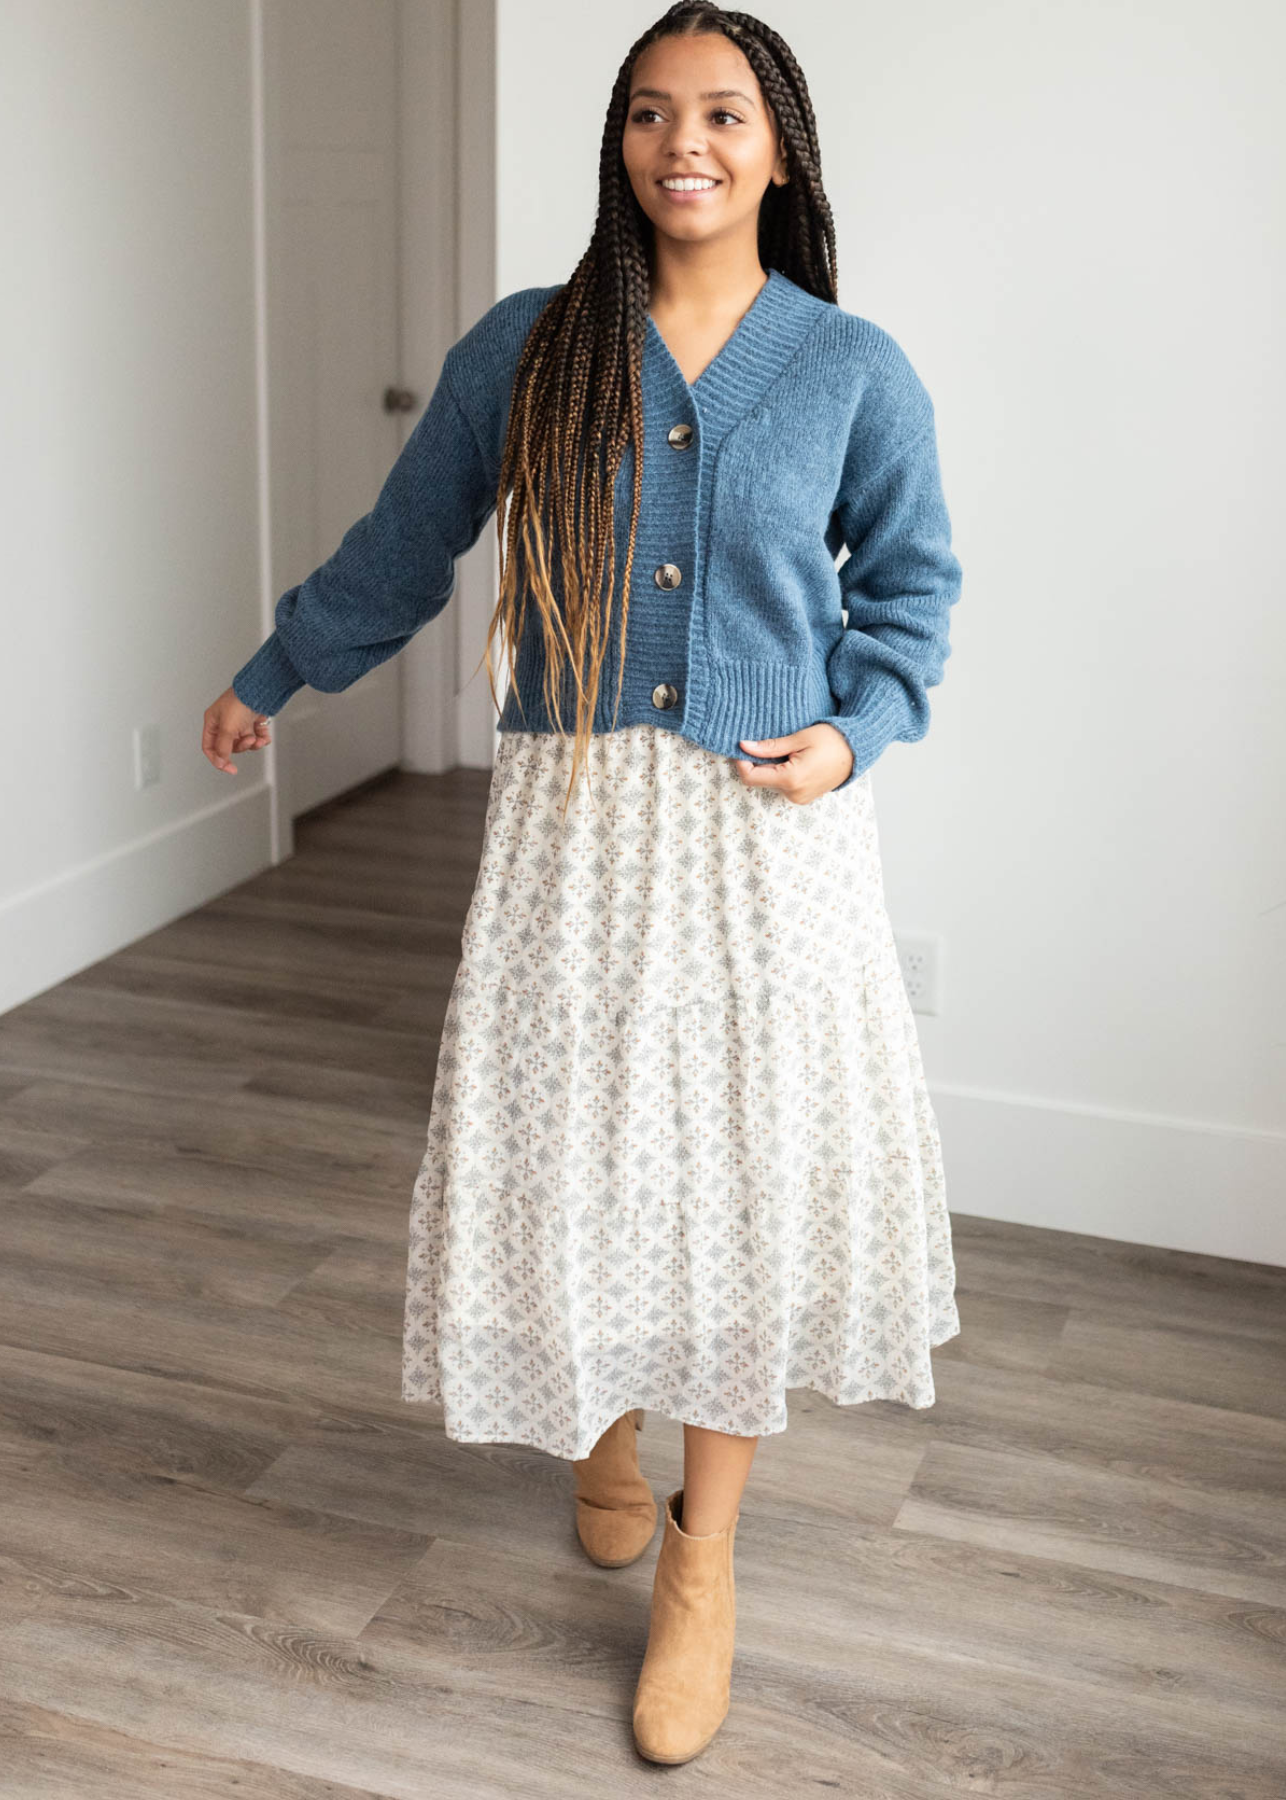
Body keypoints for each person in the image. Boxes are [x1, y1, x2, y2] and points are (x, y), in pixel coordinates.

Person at [202, 1, 963, 1767]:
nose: (677, 142)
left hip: (769, 841)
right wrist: (275, 670)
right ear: (618, 144)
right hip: (575, 827)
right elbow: (407, 544)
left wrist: (852, 735)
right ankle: (593, 1426)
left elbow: (912, 600)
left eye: (715, 111)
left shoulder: (851, 369)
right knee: (580, 1154)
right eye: (644, 112)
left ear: (777, 143)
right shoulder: (528, 350)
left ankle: (703, 1561)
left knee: (744, 1175)